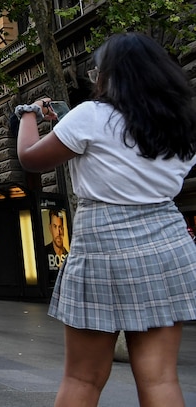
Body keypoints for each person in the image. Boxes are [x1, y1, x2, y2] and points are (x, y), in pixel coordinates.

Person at [16, 32, 196, 406]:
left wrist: (29, 114)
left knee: (83, 378)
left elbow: (30, 157)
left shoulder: (91, 117)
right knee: (160, 379)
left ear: (111, 76)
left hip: (104, 246)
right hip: (168, 242)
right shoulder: (181, 124)